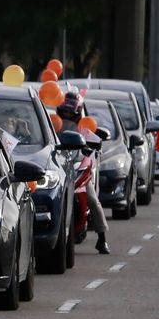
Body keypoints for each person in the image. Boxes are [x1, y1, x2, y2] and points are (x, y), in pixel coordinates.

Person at [58, 89, 110, 255]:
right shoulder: (53, 124)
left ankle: (102, 238)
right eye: (64, 111)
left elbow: (96, 142)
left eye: (70, 112)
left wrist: (91, 146)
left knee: (92, 199)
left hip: (79, 167)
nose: (67, 115)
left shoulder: (85, 127)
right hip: (58, 167)